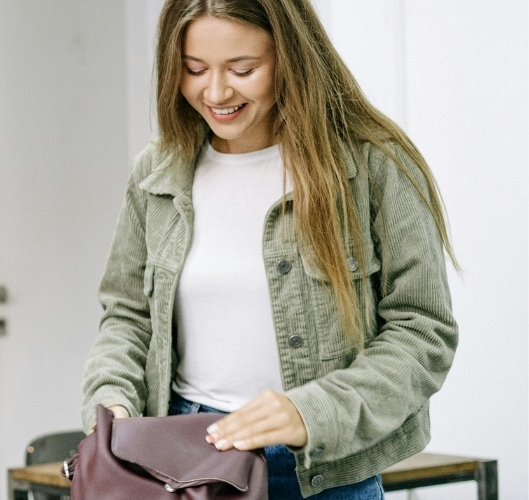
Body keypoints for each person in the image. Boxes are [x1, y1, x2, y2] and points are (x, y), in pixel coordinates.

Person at [81, 0, 457, 498]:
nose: (215, 92)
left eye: (243, 69)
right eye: (193, 70)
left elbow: (422, 331)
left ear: (291, 57)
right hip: (185, 461)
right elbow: (127, 316)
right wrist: (112, 405)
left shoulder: (373, 164)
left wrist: (311, 411)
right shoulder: (158, 173)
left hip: (325, 471)